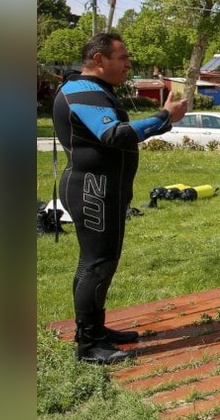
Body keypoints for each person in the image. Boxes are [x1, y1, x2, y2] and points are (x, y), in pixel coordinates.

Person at [53, 33, 188, 364]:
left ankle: (95, 330)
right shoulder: (81, 90)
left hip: (103, 189)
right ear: (99, 60)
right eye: (122, 57)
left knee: (99, 262)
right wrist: (161, 118)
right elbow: (112, 135)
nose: (128, 64)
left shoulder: (96, 91)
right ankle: (88, 344)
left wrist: (164, 122)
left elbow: (117, 137)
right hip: (93, 189)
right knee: (97, 264)